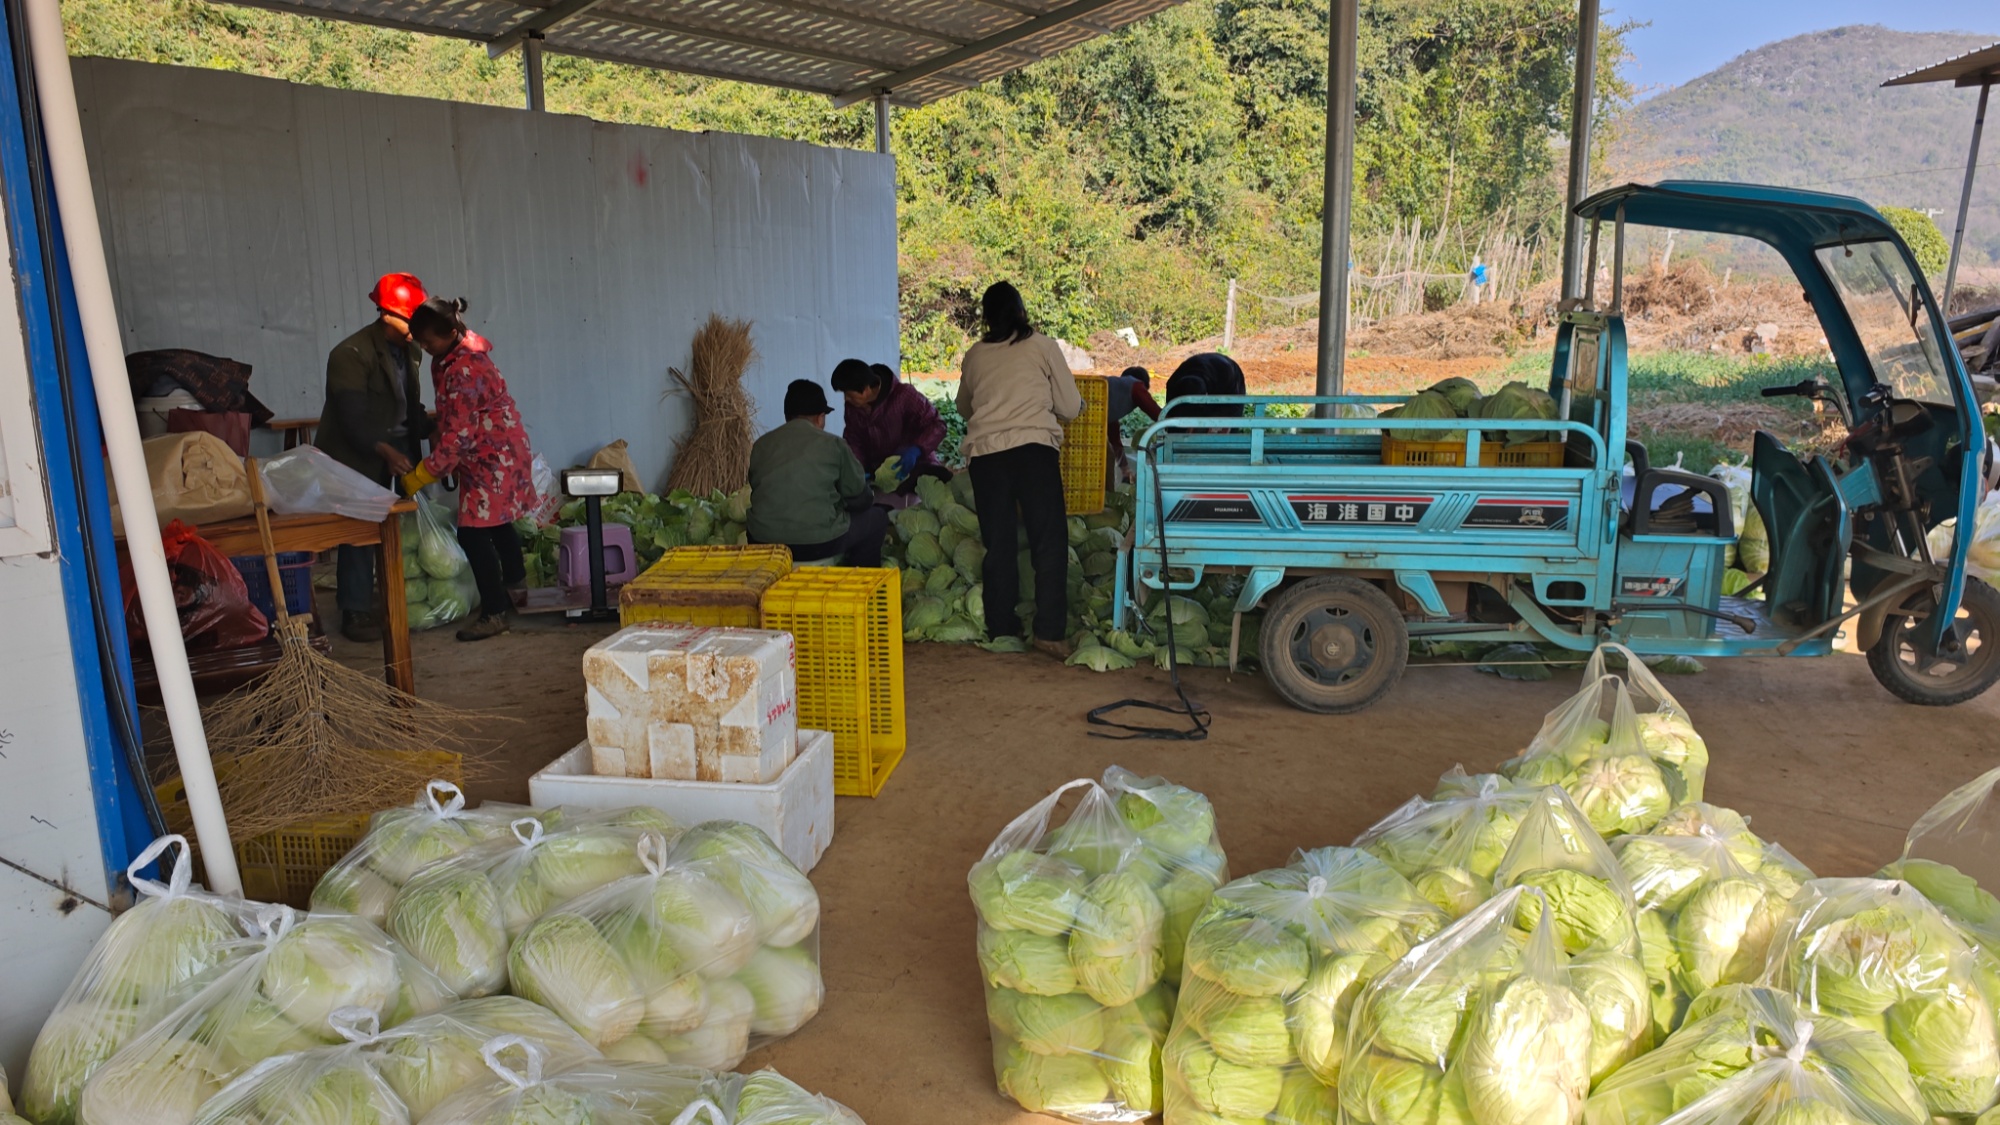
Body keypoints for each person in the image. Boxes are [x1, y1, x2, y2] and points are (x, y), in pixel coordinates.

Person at [396, 297, 537, 642]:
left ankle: (494, 612)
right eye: (422, 342)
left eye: (430, 341)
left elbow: (457, 436)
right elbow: (454, 421)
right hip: (488, 451)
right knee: (497, 521)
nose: (426, 348)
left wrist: (421, 474)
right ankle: (516, 588)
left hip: (495, 457)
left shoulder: (465, 369)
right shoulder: (447, 357)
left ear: (451, 331)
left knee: (472, 532)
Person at [956, 281, 1083, 659]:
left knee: (999, 544)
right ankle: (1048, 633)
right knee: (1048, 541)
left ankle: (1001, 627)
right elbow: (1070, 406)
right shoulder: (1043, 346)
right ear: (1022, 312)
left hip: (987, 456)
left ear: (986, 317)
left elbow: (966, 408)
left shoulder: (975, 355)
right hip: (1033, 453)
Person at [316, 272, 432, 642]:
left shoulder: (411, 351)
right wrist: (385, 450)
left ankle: (396, 601)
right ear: (386, 314)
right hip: (356, 456)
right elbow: (352, 419)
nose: (417, 327)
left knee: (400, 533)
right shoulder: (349, 355)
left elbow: (408, 407)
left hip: (395, 451)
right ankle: (356, 611)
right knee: (361, 534)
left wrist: (435, 427)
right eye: (410, 318)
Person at [746, 380, 888, 567]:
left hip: (763, 542)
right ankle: (863, 585)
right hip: (817, 545)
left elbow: (758, 488)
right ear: (821, 418)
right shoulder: (833, 444)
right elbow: (859, 497)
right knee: (876, 519)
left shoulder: (761, 445)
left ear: (787, 416)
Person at [830, 358, 948, 497]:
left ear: (866, 389)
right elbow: (854, 440)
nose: (846, 399)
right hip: (882, 478)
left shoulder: (904, 396)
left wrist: (917, 449)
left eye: (849, 394)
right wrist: (858, 470)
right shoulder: (853, 408)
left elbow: (937, 425)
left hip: (917, 470)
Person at [1105, 365, 1162, 481]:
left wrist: (1125, 470)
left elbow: (1114, 440)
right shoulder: (1136, 386)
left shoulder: (1111, 396)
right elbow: (1159, 415)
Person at [1162, 351, 1248, 422]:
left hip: (1228, 380)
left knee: (1226, 425)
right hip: (1206, 372)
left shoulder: (1224, 374)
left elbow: (1231, 407)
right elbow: (1170, 415)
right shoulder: (1173, 384)